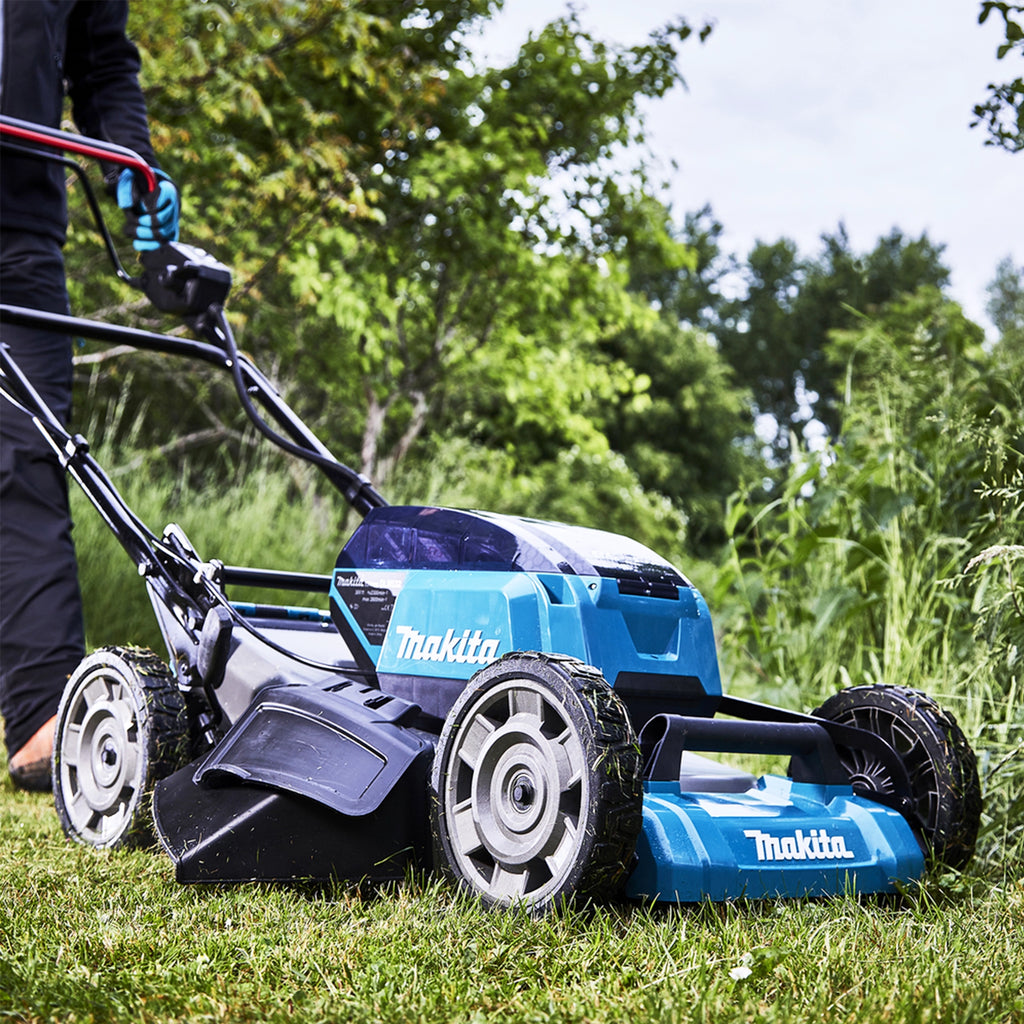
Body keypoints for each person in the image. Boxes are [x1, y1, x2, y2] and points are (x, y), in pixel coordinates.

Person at [0, 0, 179, 790]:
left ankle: (44, 716)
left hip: (22, 229)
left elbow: (102, 61)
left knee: (28, 458)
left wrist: (132, 164)